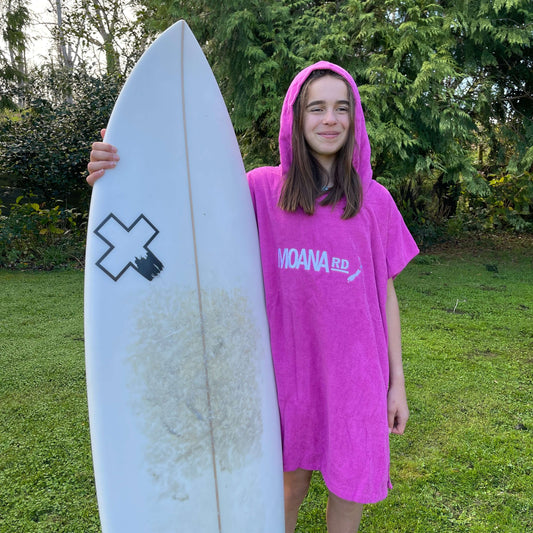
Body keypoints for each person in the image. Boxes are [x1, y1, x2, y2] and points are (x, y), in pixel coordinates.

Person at [87, 61, 419, 533]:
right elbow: (192, 205)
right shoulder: (263, 190)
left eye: (342, 109)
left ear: (355, 119)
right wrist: (126, 165)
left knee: (349, 493)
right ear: (296, 118)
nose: (330, 119)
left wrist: (397, 382)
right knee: (287, 488)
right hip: (286, 375)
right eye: (317, 108)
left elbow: (384, 292)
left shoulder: (374, 201)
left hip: (357, 377)